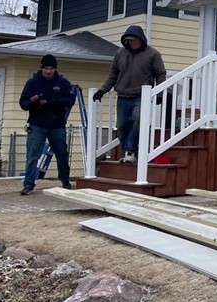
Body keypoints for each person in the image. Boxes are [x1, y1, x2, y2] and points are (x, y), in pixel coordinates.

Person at [92, 25, 166, 163]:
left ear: (140, 39)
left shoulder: (153, 54)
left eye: (132, 40)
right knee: (121, 126)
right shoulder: (120, 53)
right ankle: (131, 152)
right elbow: (113, 74)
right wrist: (102, 90)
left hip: (141, 96)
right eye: (127, 40)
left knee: (138, 121)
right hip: (122, 96)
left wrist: (159, 94)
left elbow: (160, 75)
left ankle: (130, 150)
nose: (130, 42)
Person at [19, 54, 75, 195]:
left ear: (55, 69)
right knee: (33, 155)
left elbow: (70, 100)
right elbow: (23, 103)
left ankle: (65, 181)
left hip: (57, 125)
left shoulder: (63, 83)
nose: (49, 71)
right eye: (46, 69)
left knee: (62, 154)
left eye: (51, 69)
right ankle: (28, 184)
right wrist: (33, 102)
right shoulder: (32, 83)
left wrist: (51, 102)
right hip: (37, 124)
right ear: (41, 68)